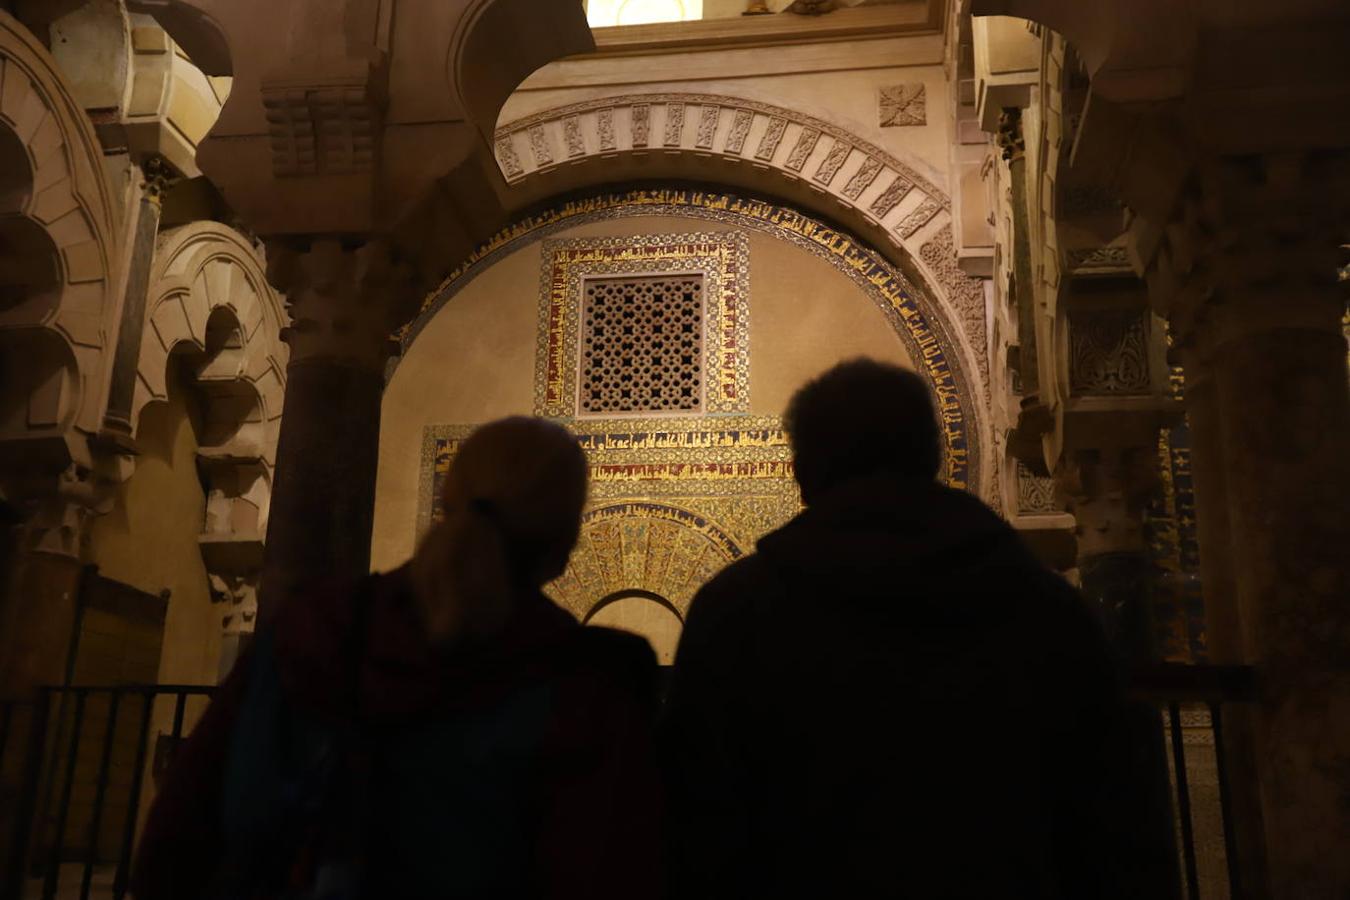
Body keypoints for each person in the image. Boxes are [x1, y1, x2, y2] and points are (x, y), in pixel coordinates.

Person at [662, 358, 1169, 899]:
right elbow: (1118, 830)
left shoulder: (735, 615)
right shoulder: (1049, 612)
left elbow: (694, 833)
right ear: (932, 456)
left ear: (803, 473)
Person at [133, 417, 663, 900]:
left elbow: (179, 838)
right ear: (566, 543)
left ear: (447, 502)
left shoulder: (308, 631)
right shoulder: (592, 688)